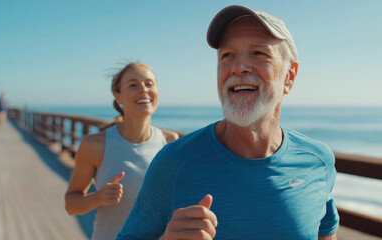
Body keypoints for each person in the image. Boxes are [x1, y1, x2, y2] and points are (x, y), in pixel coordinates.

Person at [118, 5, 339, 240]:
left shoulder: (318, 161)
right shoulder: (173, 162)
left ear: (289, 77)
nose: (237, 67)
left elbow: (326, 234)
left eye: (258, 53)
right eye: (227, 55)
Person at [64, 62, 179, 240]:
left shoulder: (169, 141)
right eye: (133, 85)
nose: (143, 90)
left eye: (149, 83)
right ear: (118, 97)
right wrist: (98, 198)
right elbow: (71, 204)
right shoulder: (95, 145)